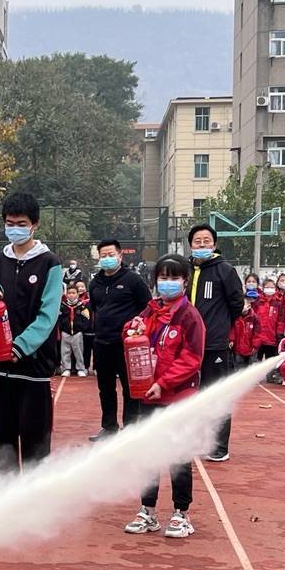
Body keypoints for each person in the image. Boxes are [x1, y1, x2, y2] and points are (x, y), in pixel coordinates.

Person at [0, 191, 63, 474]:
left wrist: (21, 345)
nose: (15, 228)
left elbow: (48, 314)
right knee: (4, 437)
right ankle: (5, 496)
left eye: (21, 223)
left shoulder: (50, 263)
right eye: (10, 222)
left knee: (35, 437)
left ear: (34, 224)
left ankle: (34, 498)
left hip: (33, 364)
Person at [122, 254, 205, 539]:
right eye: (163, 277)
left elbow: (191, 358)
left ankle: (182, 514)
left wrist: (165, 383)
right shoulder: (150, 311)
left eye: (174, 277)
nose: (167, 283)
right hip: (148, 395)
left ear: (185, 281)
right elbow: (132, 334)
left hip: (177, 398)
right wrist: (130, 329)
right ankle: (148, 511)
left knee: (177, 456)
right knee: (148, 455)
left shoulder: (190, 316)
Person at [186, 224, 244, 461]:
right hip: (186, 344)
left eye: (206, 241)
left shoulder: (225, 270)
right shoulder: (185, 269)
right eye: (197, 241)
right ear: (190, 244)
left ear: (215, 244)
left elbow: (237, 304)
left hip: (214, 344)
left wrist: (218, 326)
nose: (202, 245)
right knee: (189, 394)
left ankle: (219, 446)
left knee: (216, 393)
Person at [87, 238, 153, 440]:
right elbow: (96, 308)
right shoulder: (94, 283)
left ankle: (131, 426)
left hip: (126, 345)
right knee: (105, 387)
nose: (107, 259)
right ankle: (109, 427)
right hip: (101, 342)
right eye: (103, 256)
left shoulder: (133, 280)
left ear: (120, 256)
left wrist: (137, 328)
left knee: (129, 387)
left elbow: (148, 307)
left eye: (111, 255)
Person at [57, 284, 89, 377]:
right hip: (65, 332)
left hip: (77, 333)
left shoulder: (82, 306)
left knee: (78, 351)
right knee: (65, 351)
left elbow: (86, 318)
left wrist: (81, 328)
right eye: (69, 293)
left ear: (77, 294)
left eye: (73, 293)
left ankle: (80, 368)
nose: (71, 295)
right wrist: (62, 327)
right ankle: (66, 368)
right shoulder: (62, 306)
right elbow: (58, 318)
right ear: (66, 294)